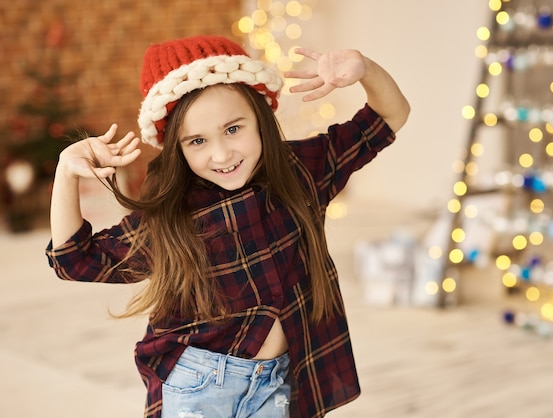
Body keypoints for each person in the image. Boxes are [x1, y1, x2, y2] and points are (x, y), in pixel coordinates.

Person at [46, 35, 410, 418]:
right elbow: (74, 260)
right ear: (177, 148)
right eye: (198, 140)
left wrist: (365, 69)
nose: (221, 154)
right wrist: (66, 169)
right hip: (198, 383)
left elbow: (390, 117)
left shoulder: (303, 169)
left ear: (260, 118)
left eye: (233, 129)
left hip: (280, 379)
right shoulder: (175, 214)